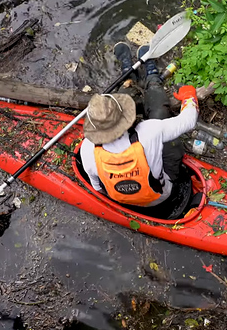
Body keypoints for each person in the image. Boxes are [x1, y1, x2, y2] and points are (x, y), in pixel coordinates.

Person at [79, 42, 198, 218]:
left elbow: (98, 189)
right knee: (159, 111)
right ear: (125, 120)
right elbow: (188, 121)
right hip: (161, 196)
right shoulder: (150, 131)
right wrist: (189, 97)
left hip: (125, 201)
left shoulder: (87, 149)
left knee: (117, 102)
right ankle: (152, 76)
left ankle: (129, 74)